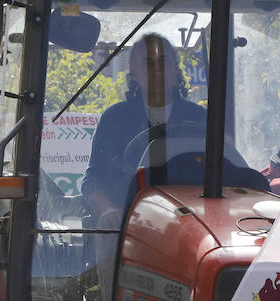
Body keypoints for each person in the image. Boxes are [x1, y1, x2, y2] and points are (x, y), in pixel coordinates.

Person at [81, 33, 206, 225]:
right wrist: (107, 210)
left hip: (192, 222)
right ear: (134, 71)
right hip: (125, 223)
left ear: (175, 67)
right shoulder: (115, 119)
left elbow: (223, 174)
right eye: (148, 63)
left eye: (163, 61)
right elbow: (93, 178)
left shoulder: (200, 119)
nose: (157, 70)